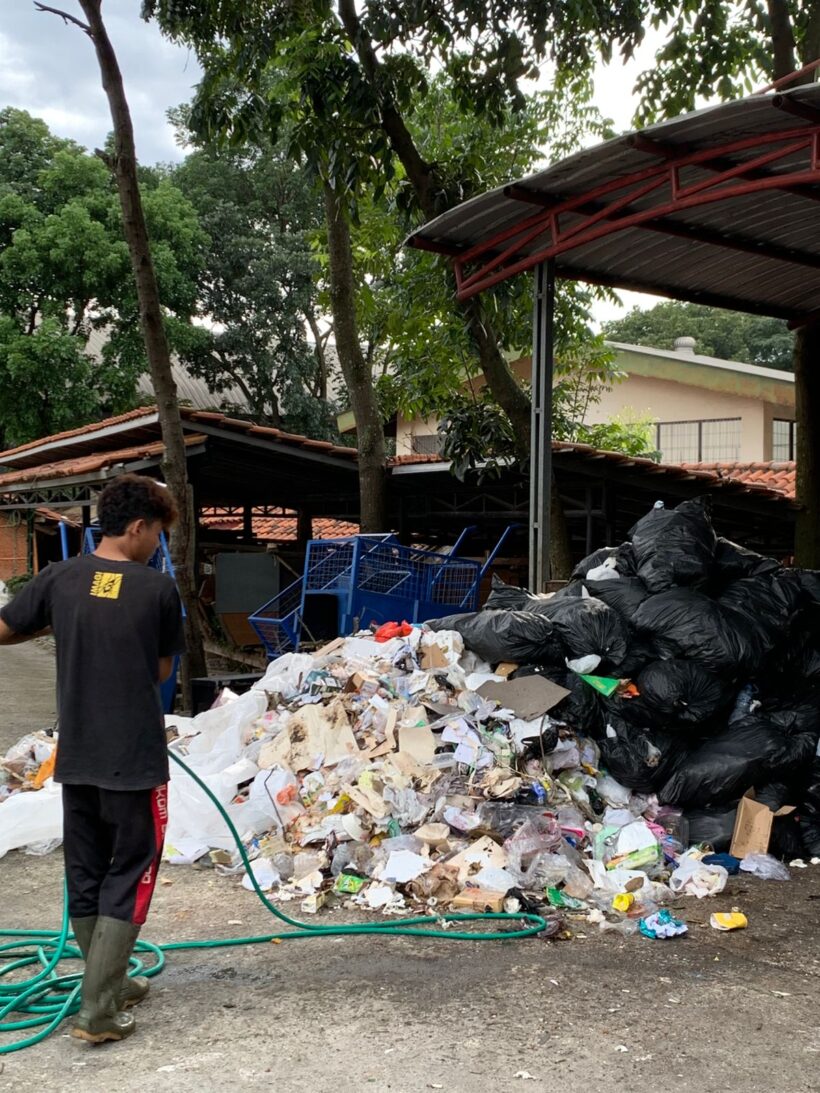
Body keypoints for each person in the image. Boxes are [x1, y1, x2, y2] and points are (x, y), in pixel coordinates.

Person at [0, 474, 186, 1043]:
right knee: (131, 873)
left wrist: (71, 626)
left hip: (74, 757)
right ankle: (99, 1010)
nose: (157, 546)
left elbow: (6, 628)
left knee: (86, 871)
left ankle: (108, 981)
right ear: (138, 527)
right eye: (157, 534)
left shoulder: (58, 578)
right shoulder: (157, 591)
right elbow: (160, 672)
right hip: (133, 760)